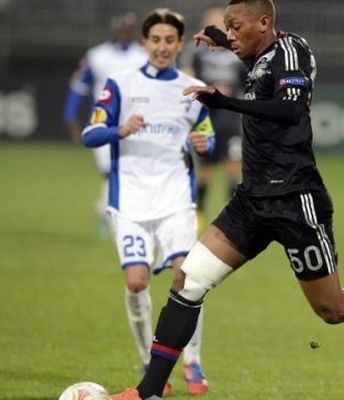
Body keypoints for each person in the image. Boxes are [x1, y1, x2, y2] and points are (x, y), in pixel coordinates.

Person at [110, 1, 344, 399]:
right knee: (187, 281)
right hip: (252, 201)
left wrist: (224, 101)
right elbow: (258, 69)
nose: (229, 34)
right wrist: (223, 43)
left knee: (334, 310)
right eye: (225, 28)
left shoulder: (293, 51)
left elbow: (289, 108)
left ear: (264, 23)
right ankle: (148, 393)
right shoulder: (260, 56)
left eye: (235, 27)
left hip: (296, 201)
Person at [80, 8, 213, 397]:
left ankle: (192, 359)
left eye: (169, 40)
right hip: (131, 202)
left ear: (179, 44)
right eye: (155, 40)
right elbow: (91, 133)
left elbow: (206, 135)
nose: (162, 47)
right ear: (145, 43)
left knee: (188, 277)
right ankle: (147, 361)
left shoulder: (193, 89)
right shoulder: (120, 85)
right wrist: (119, 129)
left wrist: (205, 143)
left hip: (175, 199)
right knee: (137, 282)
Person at [63, 12, 148, 238]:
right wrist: (70, 116)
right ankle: (112, 218)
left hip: (134, 122)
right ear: (114, 28)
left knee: (131, 173)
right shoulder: (97, 56)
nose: (124, 30)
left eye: (127, 26)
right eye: (121, 26)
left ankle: (106, 210)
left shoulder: (142, 56)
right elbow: (79, 86)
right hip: (103, 122)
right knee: (109, 170)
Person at [178, 4, 245, 227]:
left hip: (231, 115)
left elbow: (251, 78)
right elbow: (186, 77)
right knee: (205, 167)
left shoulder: (239, 50)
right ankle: (200, 213)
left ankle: (234, 216)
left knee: (233, 165)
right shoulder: (195, 50)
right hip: (207, 115)